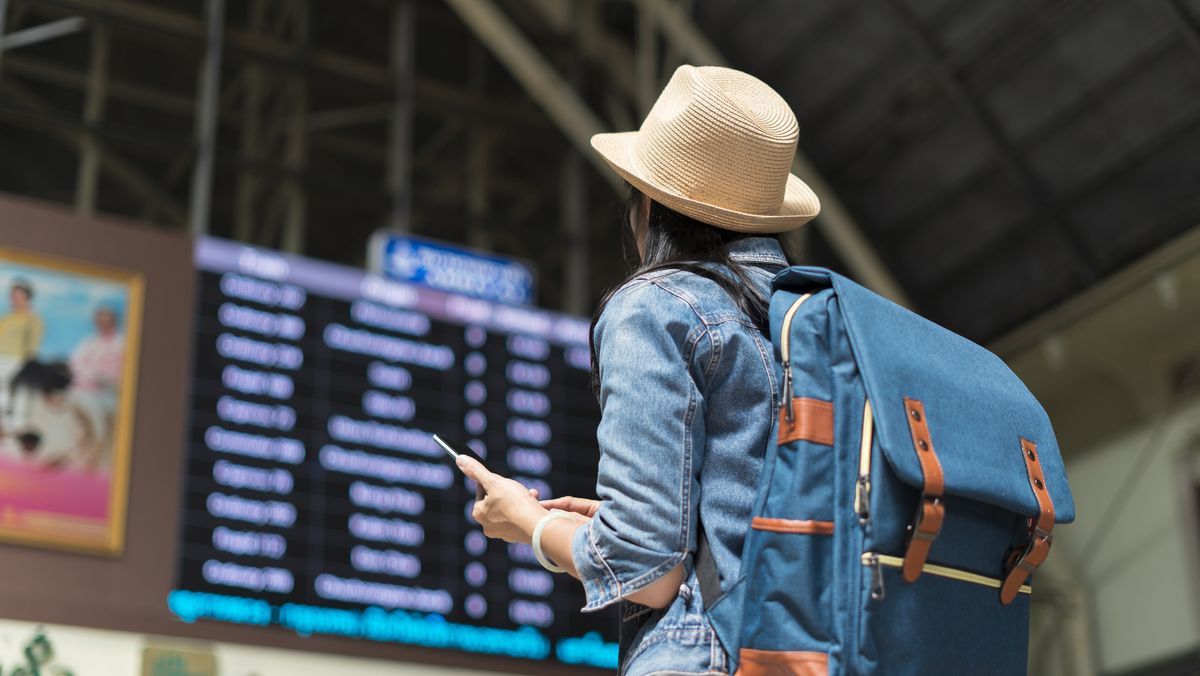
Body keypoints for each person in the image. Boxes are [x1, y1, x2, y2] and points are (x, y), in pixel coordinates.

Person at [458, 65, 820, 674]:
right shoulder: (815, 318)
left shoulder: (656, 307)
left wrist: (527, 525)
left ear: (649, 201)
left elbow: (649, 571)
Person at [69, 305, 125, 466]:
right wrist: (89, 375)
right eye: (99, 321)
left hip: (105, 395)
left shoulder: (121, 343)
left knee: (99, 435)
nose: (102, 324)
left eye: (106, 321)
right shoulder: (89, 342)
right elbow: (75, 363)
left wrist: (103, 378)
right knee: (81, 434)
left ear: (113, 322)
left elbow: (122, 373)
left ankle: (91, 467)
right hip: (81, 392)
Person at [0, 278, 44, 425]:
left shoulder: (33, 319)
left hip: (17, 361)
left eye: (18, 296)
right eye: (12, 296)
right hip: (1, 359)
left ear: (27, 297)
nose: (14, 299)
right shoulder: (6, 318)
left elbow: (33, 344)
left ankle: (13, 427)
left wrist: (27, 365)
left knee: (16, 396)